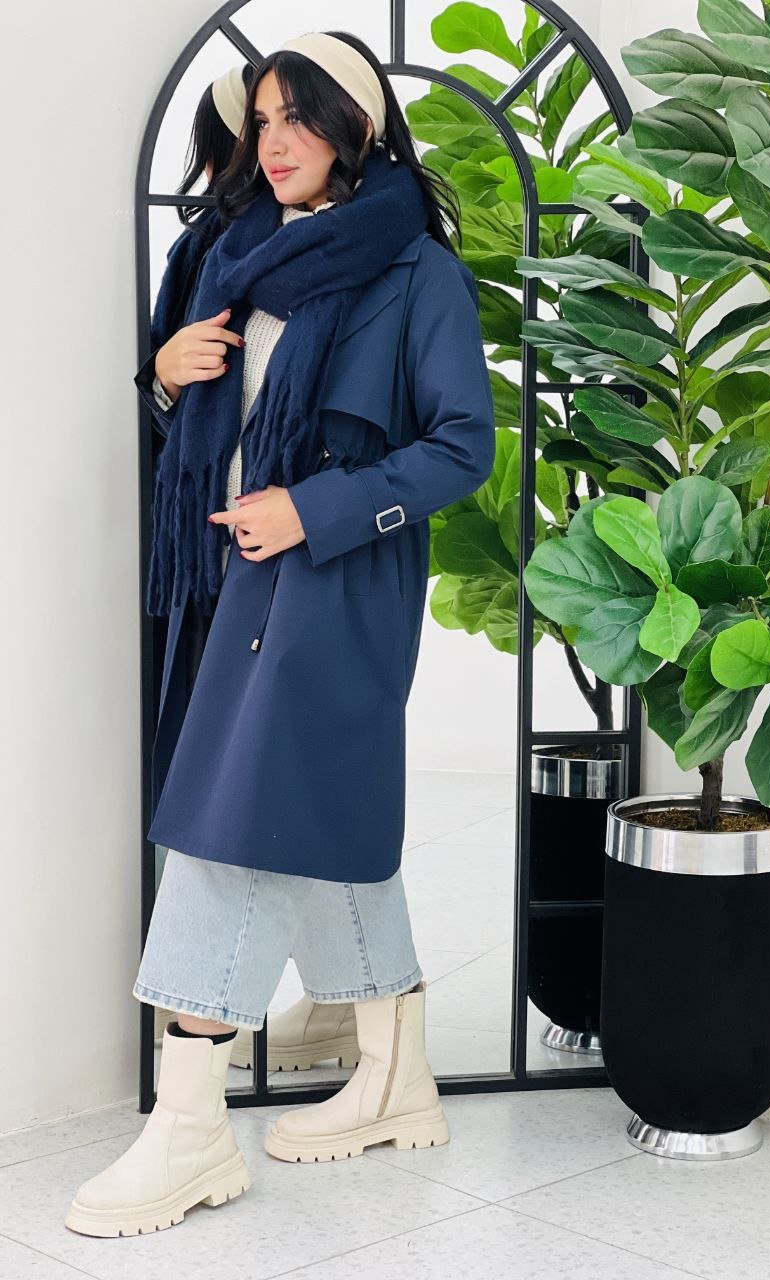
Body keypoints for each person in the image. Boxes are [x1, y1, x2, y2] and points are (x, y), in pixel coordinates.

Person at [66, 30, 495, 1238]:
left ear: (357, 128)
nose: (276, 140)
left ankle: (190, 1128)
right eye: (261, 120)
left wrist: (314, 509)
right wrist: (166, 374)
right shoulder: (238, 258)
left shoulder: (416, 272)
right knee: (316, 810)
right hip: (227, 588)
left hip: (333, 589)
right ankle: (395, 1068)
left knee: (235, 831)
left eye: (300, 116)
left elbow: (463, 446)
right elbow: (207, 434)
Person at [135, 62, 255, 1047]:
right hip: (216, 558)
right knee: (211, 776)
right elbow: (164, 408)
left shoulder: (341, 246)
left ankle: (206, 1042)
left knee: (254, 780)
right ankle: (199, 1046)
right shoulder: (209, 248)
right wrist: (166, 375)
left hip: (295, 545)